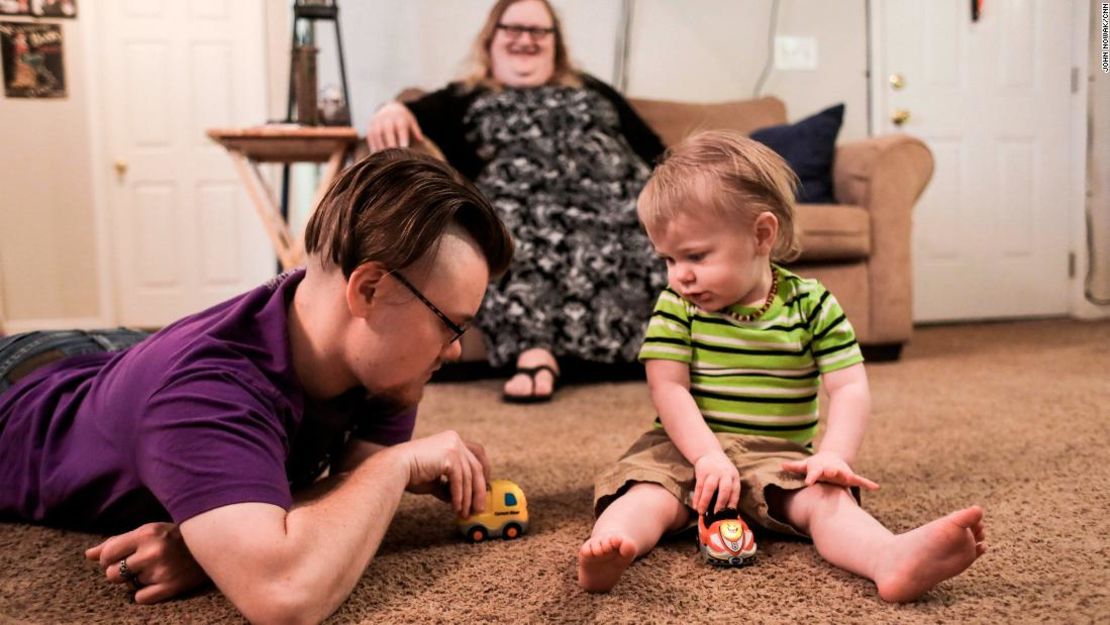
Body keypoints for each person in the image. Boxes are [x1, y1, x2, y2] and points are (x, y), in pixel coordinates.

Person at [0, 149, 514, 623]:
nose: (452, 350)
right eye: (450, 325)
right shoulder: (204, 392)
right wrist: (394, 466)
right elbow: (286, 596)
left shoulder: (368, 355)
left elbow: (350, 502)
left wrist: (207, 543)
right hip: (19, 384)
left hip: (111, 357)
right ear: (370, 289)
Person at [576, 130, 988, 600]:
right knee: (646, 495)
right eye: (668, 259)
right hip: (685, 449)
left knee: (826, 503)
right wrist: (707, 456)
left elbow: (849, 386)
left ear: (762, 234)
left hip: (779, 454)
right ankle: (611, 550)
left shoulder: (811, 304)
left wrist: (835, 454)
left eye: (695, 256)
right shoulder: (677, 306)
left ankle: (888, 558)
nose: (680, 275)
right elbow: (669, 388)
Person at [367, 0, 667, 403]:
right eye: (513, 29)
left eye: (539, 32)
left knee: (649, 230)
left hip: (613, 201)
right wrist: (391, 108)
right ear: (492, 38)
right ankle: (534, 352)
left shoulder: (589, 88)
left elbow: (655, 150)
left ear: (554, 43)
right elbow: (411, 111)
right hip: (521, 201)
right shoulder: (466, 94)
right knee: (501, 227)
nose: (525, 39)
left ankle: (667, 357)